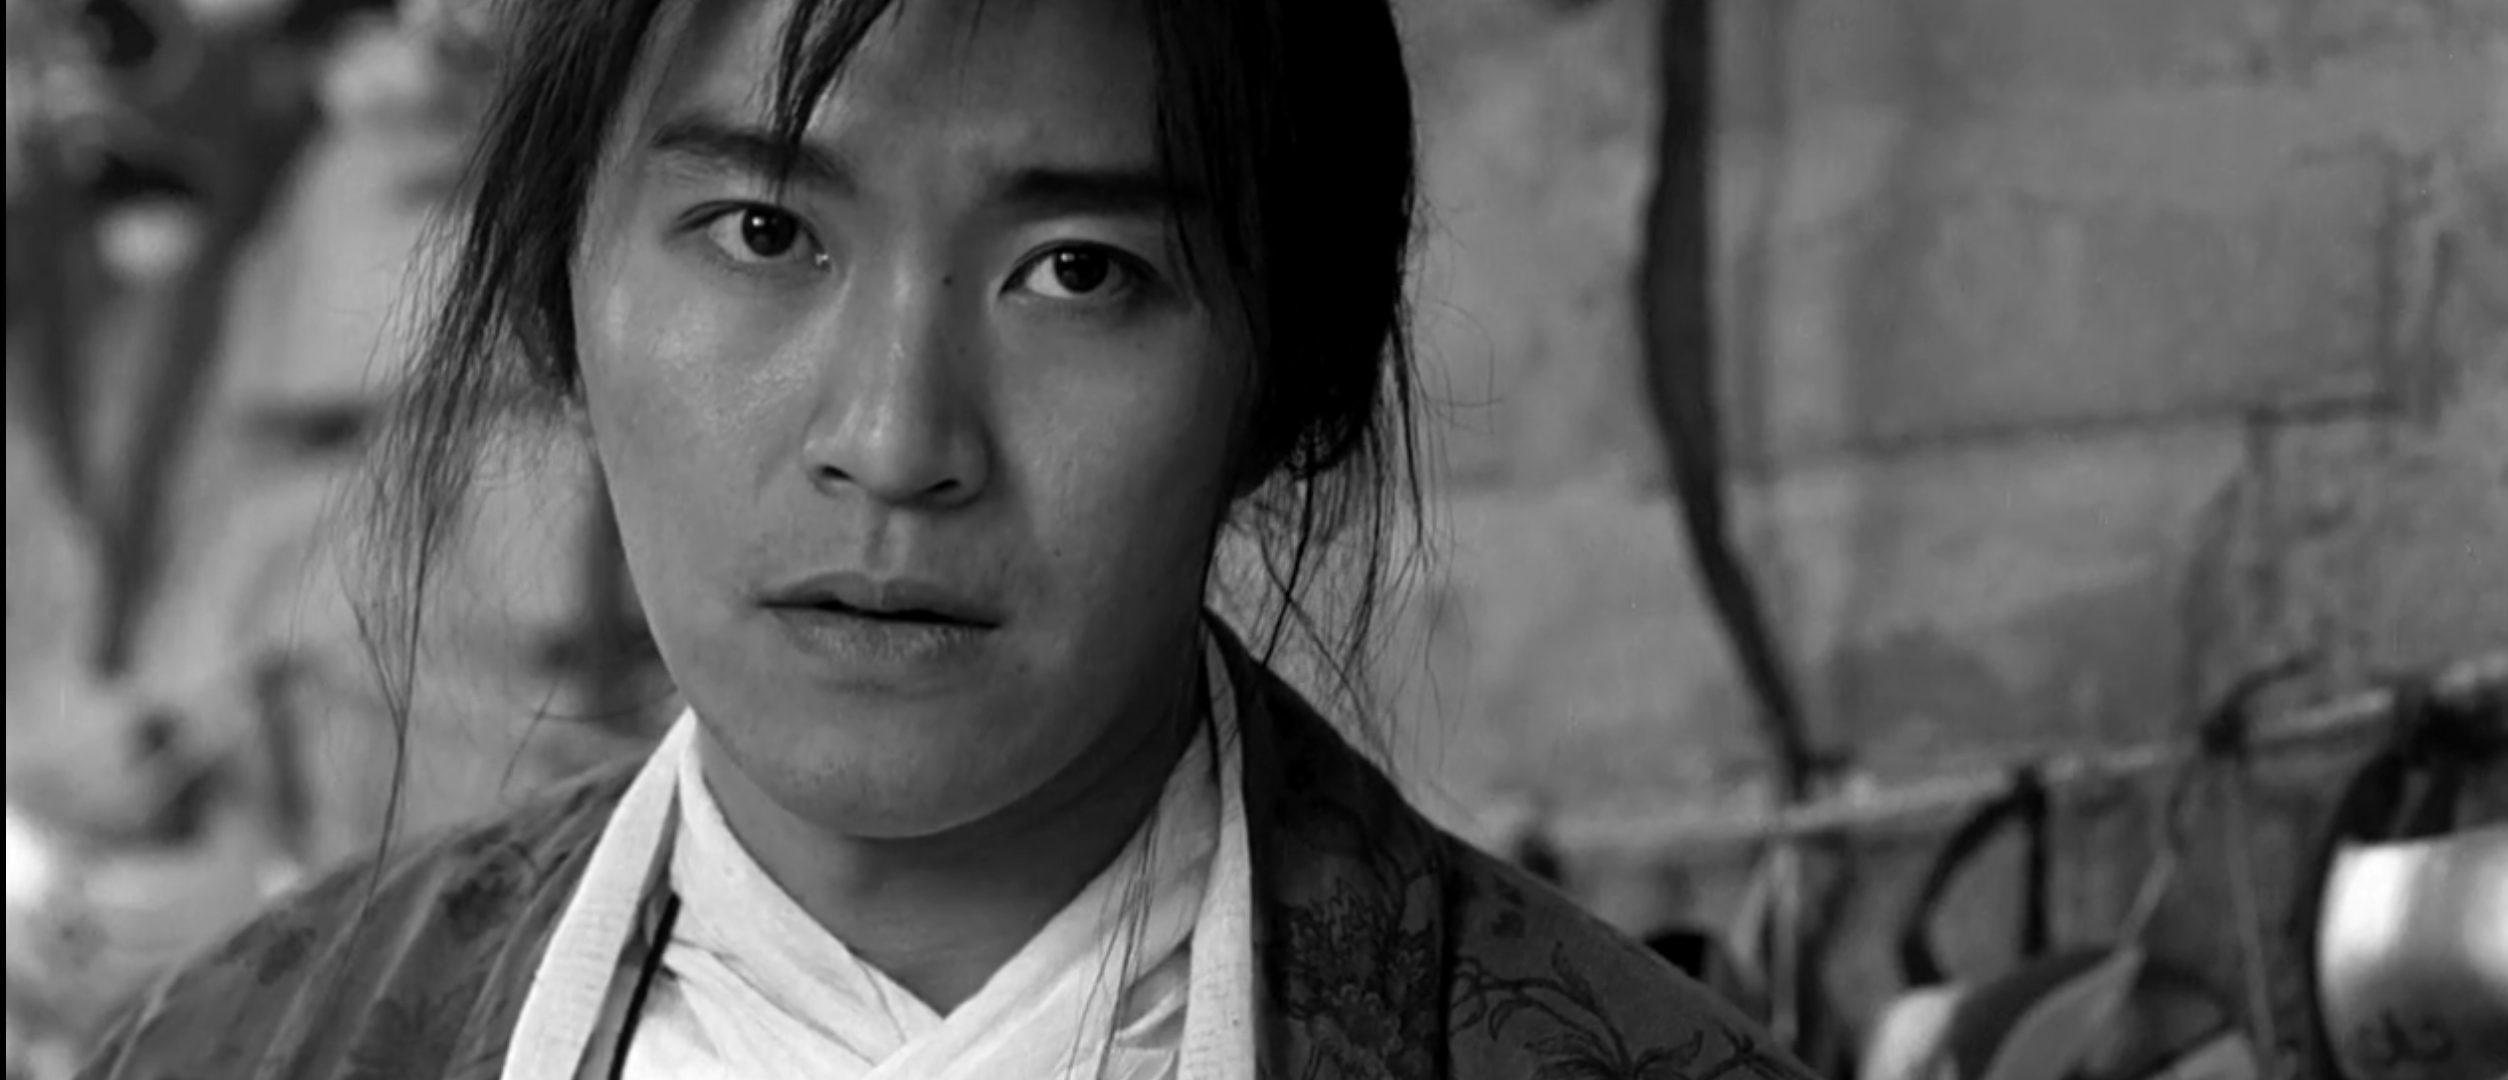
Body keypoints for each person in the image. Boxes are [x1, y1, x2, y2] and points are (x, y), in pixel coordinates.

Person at [74, 0, 1817, 1076]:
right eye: (763, 232)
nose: (899, 443)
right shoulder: (233, 1051)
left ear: (1290, 385)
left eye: (1079, 271)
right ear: (559, 299)